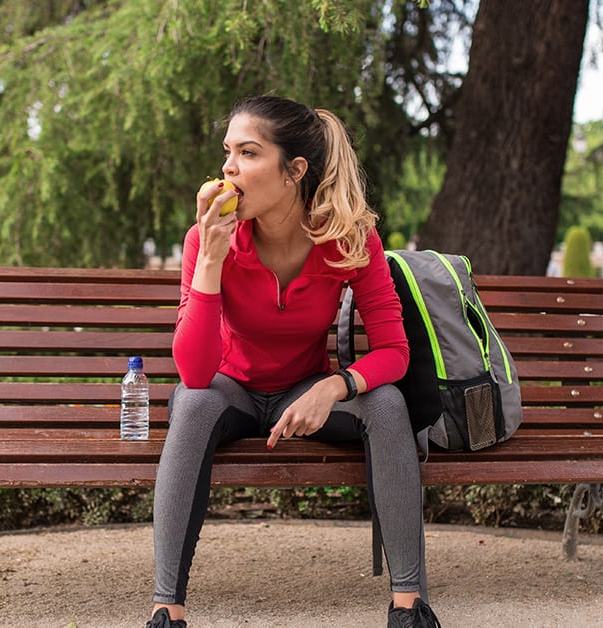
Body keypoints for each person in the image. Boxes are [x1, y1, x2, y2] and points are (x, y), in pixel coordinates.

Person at [147, 96, 440, 628]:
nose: (229, 169)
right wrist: (210, 260)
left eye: (248, 153)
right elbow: (194, 371)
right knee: (191, 401)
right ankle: (167, 611)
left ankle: (409, 606)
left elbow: (394, 353)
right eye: (227, 153)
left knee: (386, 403)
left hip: (304, 392)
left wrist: (334, 387)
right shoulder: (206, 240)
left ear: (294, 171)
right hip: (229, 390)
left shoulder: (350, 239)